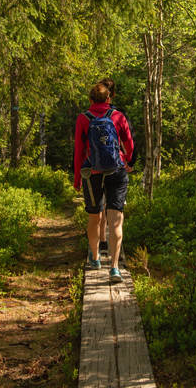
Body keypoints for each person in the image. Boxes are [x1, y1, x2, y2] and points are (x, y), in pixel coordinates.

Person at [74, 82, 134, 283]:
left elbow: (79, 151)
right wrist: (127, 159)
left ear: (90, 100)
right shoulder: (117, 116)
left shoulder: (83, 118)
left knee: (94, 217)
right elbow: (129, 143)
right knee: (115, 218)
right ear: (108, 99)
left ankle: (96, 257)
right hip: (116, 170)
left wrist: (77, 179)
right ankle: (115, 268)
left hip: (92, 172)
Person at [95, 78, 137, 254]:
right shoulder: (120, 114)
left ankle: (102, 242)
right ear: (113, 95)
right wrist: (130, 161)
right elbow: (130, 139)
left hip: (96, 165)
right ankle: (116, 252)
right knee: (116, 207)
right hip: (117, 164)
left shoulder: (90, 114)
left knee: (101, 204)